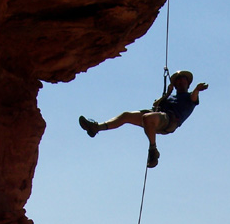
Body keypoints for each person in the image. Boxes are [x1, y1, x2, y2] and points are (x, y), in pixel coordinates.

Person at [79, 70, 208, 168]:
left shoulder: (190, 97)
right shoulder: (170, 97)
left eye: (183, 80)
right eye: (178, 80)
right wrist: (167, 94)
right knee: (126, 116)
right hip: (157, 115)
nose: (180, 82)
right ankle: (96, 127)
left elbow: (194, 97)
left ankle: (153, 150)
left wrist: (197, 89)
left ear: (188, 83)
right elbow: (156, 104)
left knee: (147, 118)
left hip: (170, 120)